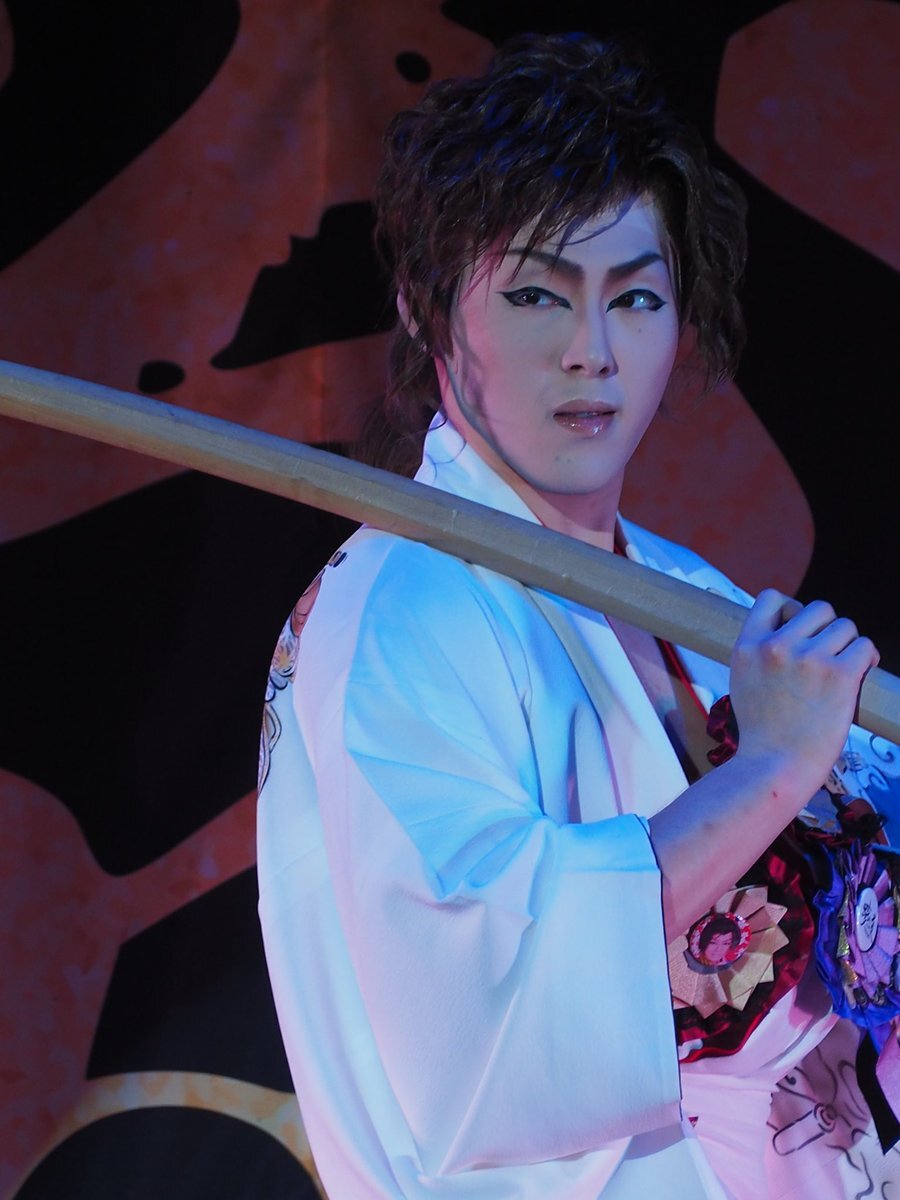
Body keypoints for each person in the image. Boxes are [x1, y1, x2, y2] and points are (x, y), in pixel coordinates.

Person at [256, 32, 882, 1199]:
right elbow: (485, 988)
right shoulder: (405, 605)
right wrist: (772, 770)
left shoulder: (693, 595)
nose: (592, 351)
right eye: (539, 294)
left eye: (634, 298)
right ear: (427, 306)